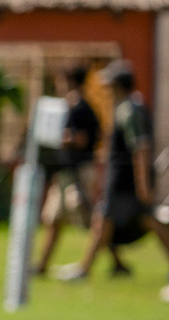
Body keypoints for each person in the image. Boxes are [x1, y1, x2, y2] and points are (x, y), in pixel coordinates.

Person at [54, 60, 169, 290]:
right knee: (146, 222)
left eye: (109, 83)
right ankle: (94, 267)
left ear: (117, 84)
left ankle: (84, 269)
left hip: (125, 183)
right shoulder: (126, 106)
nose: (106, 88)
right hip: (124, 182)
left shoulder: (129, 109)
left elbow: (140, 148)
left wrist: (143, 184)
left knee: (105, 221)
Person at [33, 66, 103, 276]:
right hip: (65, 174)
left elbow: (81, 139)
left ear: (69, 81)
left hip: (78, 172)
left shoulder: (80, 108)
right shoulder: (71, 106)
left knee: (90, 219)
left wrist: (57, 137)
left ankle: (117, 260)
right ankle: (42, 265)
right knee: (52, 219)